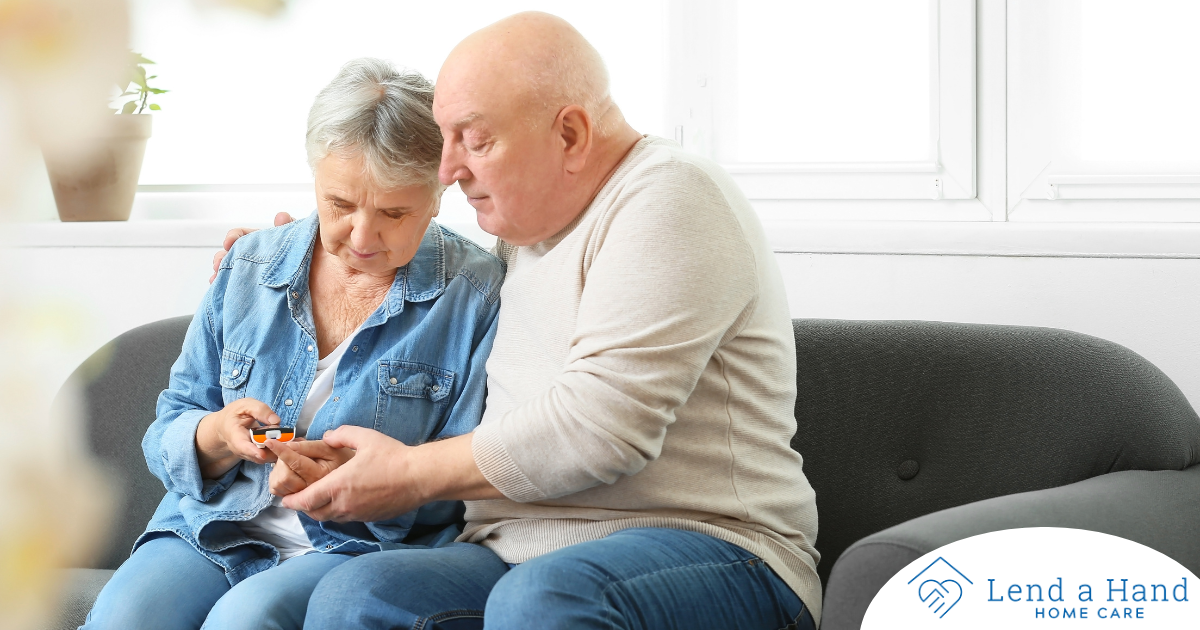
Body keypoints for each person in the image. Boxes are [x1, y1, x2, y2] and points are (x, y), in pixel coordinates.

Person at [219, 11, 821, 630]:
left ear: (570, 135)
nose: (448, 170)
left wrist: (408, 475)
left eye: (473, 140)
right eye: (445, 140)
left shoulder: (670, 197)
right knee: (357, 595)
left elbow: (600, 430)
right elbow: (414, 265)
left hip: (714, 548)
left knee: (541, 599)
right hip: (517, 547)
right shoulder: (521, 235)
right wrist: (296, 257)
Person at [83, 58, 504, 630]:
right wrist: (217, 435)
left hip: (357, 548)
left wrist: (353, 481)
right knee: (126, 616)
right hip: (215, 526)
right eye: (340, 204)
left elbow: (464, 483)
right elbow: (169, 426)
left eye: (394, 213)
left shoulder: (474, 296)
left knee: (244, 620)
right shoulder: (250, 266)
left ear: (438, 194)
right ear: (314, 177)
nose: (361, 236)